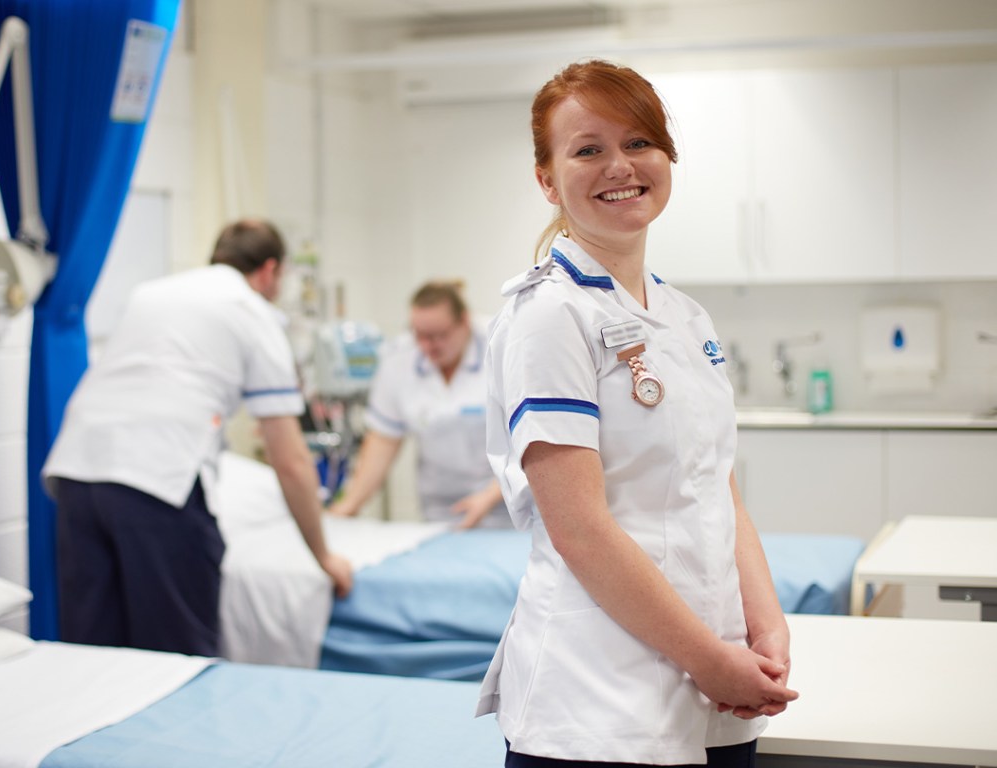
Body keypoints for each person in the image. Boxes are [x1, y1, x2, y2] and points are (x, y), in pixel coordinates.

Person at [478, 60, 798, 767]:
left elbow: (718, 488)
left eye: (639, 142)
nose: (619, 165)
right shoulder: (549, 316)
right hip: (598, 702)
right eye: (588, 149)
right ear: (547, 179)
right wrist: (710, 660)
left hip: (716, 687)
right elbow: (580, 530)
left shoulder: (684, 316)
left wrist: (765, 623)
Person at [42, 218, 353, 657]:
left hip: (77, 470)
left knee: (94, 657)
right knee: (178, 657)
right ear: (270, 270)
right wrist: (323, 556)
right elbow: (291, 460)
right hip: (158, 480)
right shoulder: (253, 312)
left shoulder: (151, 293)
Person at [328, 281, 509, 529]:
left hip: (508, 507)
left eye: (440, 336)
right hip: (440, 510)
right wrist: (348, 506)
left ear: (464, 322)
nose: (429, 346)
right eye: (421, 336)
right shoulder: (399, 359)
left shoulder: (502, 347)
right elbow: (382, 441)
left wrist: (490, 497)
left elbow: (529, 440)